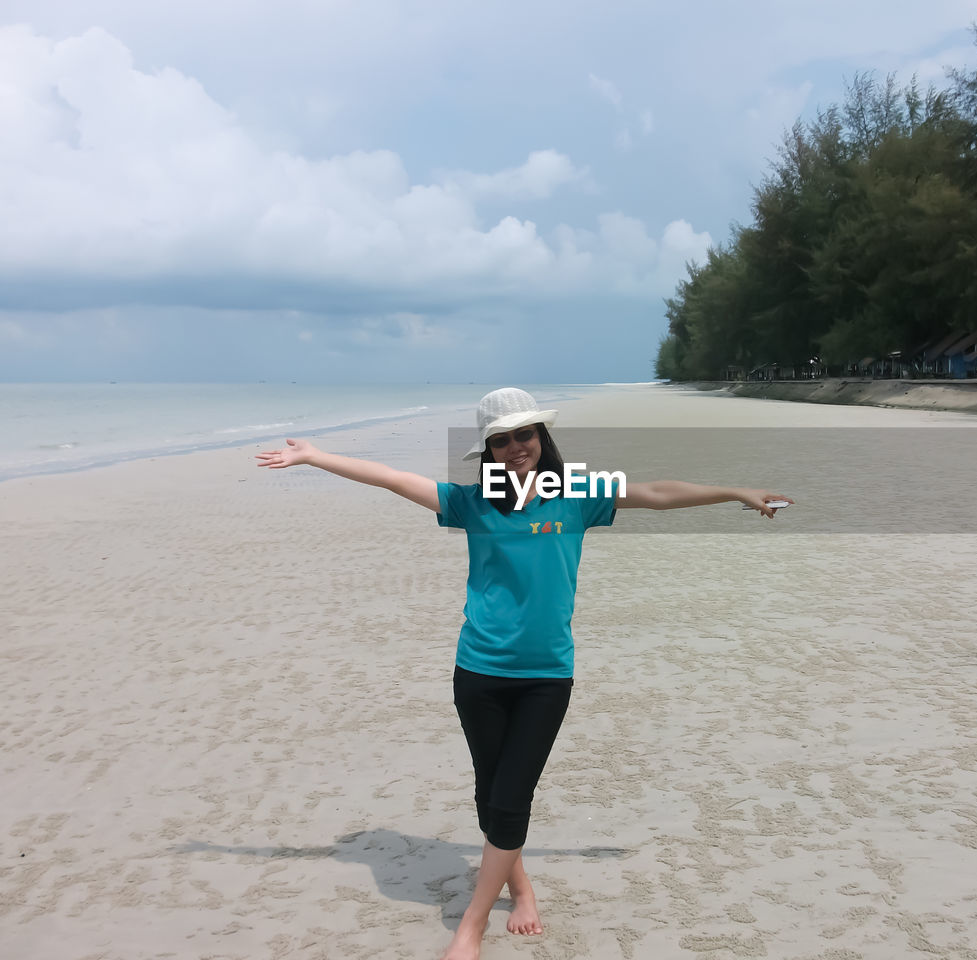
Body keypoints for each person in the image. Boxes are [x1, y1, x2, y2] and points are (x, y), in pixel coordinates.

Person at [256, 387, 791, 960]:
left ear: (542, 438)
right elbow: (390, 477)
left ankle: (471, 924)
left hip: (546, 676)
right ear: (487, 450)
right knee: (492, 792)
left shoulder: (576, 493)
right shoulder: (472, 501)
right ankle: (523, 888)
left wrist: (734, 490)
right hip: (479, 671)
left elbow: (657, 492)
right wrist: (315, 456)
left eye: (525, 435)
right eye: (501, 439)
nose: (515, 448)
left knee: (512, 797)